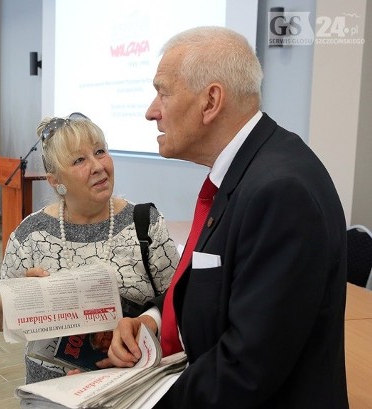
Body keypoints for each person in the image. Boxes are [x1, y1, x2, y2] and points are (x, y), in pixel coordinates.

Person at [107, 26, 349, 408]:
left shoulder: (279, 191)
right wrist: (154, 320)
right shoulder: (253, 168)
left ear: (211, 101)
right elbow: (216, 289)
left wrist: (137, 403)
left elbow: (246, 367)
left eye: (163, 92)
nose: (151, 111)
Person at [0, 113, 179, 383]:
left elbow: (177, 301)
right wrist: (18, 295)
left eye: (100, 152)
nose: (98, 166)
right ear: (55, 180)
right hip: (53, 388)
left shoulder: (145, 224)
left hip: (131, 382)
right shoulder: (31, 234)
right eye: (79, 160)